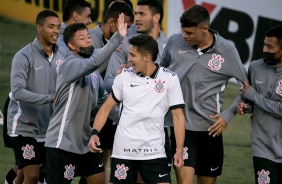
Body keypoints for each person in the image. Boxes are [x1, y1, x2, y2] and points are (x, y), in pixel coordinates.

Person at [160, 4, 248, 184]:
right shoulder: (174, 41)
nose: (184, 36)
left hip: (211, 129)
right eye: (183, 31)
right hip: (181, 126)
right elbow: (161, 72)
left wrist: (227, 114)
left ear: (205, 29)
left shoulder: (227, 50)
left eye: (190, 33)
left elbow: (246, 87)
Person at [88, 34, 185, 184]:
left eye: (133, 55)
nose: (129, 59)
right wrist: (94, 133)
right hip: (124, 152)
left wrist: (179, 150)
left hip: (154, 152)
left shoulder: (169, 79)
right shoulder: (124, 77)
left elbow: (178, 117)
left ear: (147, 57)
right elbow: (106, 108)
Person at [44, 14, 127, 184]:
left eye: (89, 36)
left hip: (85, 141)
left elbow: (103, 102)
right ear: (71, 46)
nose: (88, 41)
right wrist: (117, 38)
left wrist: (125, 120)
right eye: (82, 38)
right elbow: (94, 61)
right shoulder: (70, 65)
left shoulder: (94, 74)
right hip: (62, 142)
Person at [7, 10, 65, 184]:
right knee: (32, 175)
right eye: (51, 27)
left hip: (49, 127)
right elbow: (17, 91)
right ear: (39, 28)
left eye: (58, 27)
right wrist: (49, 98)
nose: (56, 31)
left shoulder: (62, 54)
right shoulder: (23, 56)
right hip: (24, 126)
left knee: (35, 174)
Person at [88, 2, 133, 183]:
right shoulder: (88, 38)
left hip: (107, 109)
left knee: (100, 163)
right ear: (114, 22)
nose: (127, 31)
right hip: (87, 113)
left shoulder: (124, 43)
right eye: (126, 26)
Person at [236, 25, 282, 184]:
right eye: (264, 44)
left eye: (270, 47)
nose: (265, 50)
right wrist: (246, 106)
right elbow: (252, 102)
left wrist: (252, 95)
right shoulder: (255, 67)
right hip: (262, 146)